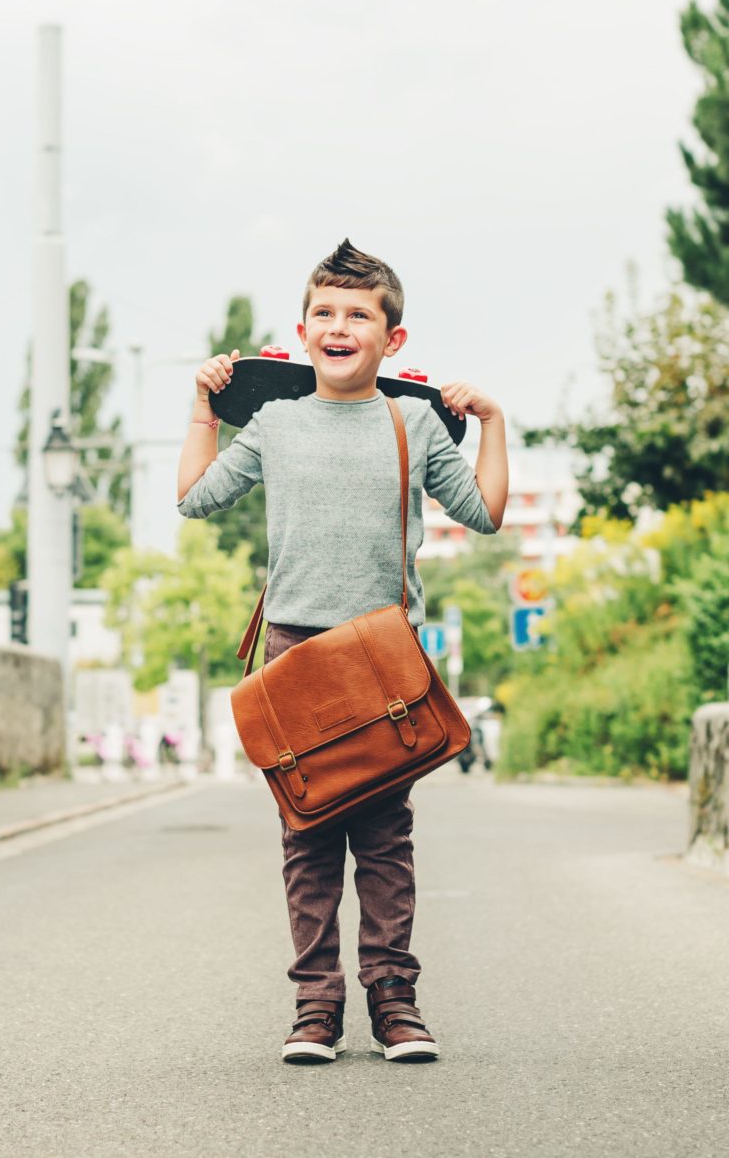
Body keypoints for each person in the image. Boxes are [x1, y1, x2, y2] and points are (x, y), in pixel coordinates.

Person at [175, 239, 508, 1064]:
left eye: (358, 314)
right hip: (293, 651)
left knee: (386, 837)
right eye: (325, 313)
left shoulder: (415, 420)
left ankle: (396, 1002)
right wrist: (202, 407)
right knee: (308, 837)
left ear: (391, 339)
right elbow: (194, 498)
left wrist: (494, 423)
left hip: (384, 656)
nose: (339, 325)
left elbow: (486, 512)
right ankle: (315, 1009)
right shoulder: (276, 422)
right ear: (302, 330)